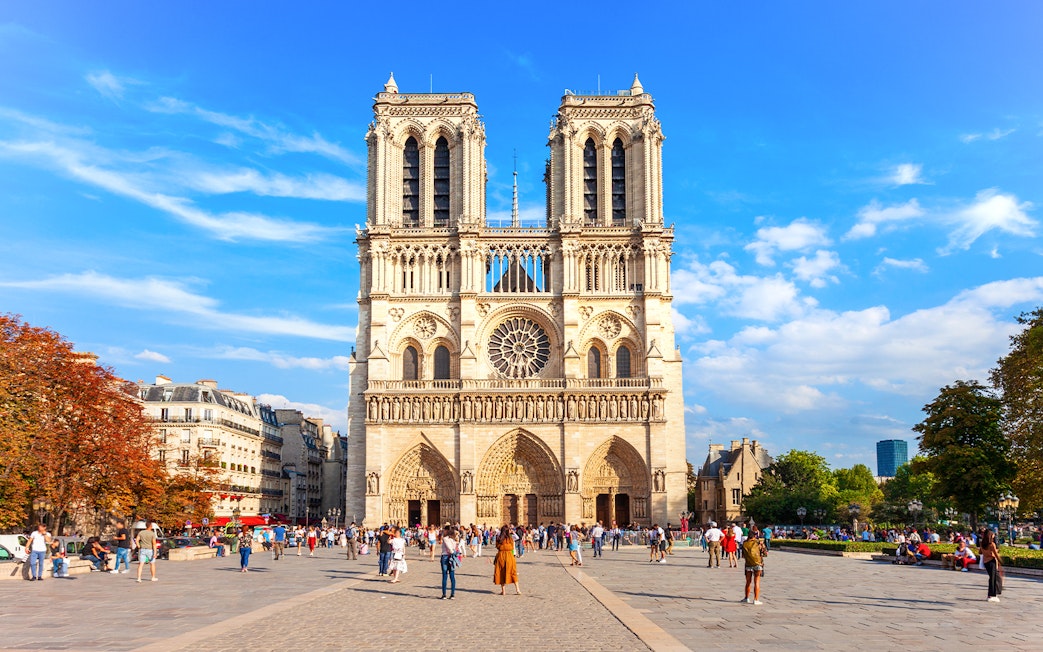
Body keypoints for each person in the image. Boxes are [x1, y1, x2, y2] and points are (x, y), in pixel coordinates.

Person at [740, 528, 767, 605]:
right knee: (757, 581)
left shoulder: (745, 543)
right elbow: (765, 554)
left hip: (748, 564)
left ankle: (746, 598)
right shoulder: (759, 543)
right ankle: (756, 599)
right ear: (755, 536)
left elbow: (743, 556)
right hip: (758, 564)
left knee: (748, 582)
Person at [493, 524, 520, 595]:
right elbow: (513, 544)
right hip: (509, 556)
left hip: (501, 556)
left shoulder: (499, 539)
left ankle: (503, 591)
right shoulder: (510, 538)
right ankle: (517, 590)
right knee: (513, 572)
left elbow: (497, 546)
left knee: (501, 572)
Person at [979, 529, 1002, 602]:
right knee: (993, 578)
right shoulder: (992, 544)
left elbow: (980, 552)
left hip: (986, 562)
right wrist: (1000, 561)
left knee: (992, 578)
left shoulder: (982, 543)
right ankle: (992, 595)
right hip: (992, 561)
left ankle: (992, 594)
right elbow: (995, 554)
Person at [439, 526, 459, 599]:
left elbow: (450, 549)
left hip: (445, 557)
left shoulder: (445, 539)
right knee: (452, 576)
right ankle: (452, 594)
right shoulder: (454, 540)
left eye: (444, 530)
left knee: (445, 576)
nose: (443, 531)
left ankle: (444, 594)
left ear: (447, 531)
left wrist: (451, 551)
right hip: (452, 558)